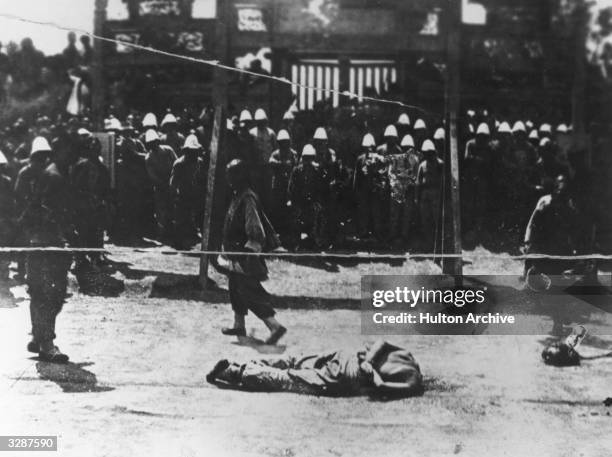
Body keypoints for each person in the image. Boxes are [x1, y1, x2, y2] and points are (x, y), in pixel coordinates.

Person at [14, 137, 74, 363]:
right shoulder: (43, 177)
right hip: (43, 240)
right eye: (39, 157)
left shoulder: (39, 175)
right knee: (49, 292)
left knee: (39, 290)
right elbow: (28, 206)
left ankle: (39, 337)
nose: (42, 160)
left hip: (38, 240)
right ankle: (47, 342)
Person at [216, 159, 286, 345]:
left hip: (245, 255)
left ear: (240, 176)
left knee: (250, 291)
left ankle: (274, 326)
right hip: (235, 254)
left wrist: (249, 256)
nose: (228, 178)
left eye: (232, 174)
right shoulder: (237, 195)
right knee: (235, 288)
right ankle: (239, 324)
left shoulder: (248, 199)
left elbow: (256, 231)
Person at [207, 340, 423, 398]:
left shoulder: (409, 357)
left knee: (295, 362)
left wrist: (370, 361)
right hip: (350, 374)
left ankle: (239, 365)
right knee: (291, 378)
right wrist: (371, 367)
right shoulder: (412, 381)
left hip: (347, 356)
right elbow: (382, 387)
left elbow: (380, 344)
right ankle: (235, 372)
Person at [70, 130, 111, 268]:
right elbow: (73, 185)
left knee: (97, 232)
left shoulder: (102, 168)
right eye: (92, 148)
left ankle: (96, 256)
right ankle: (80, 258)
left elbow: (106, 189)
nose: (95, 151)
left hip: (96, 205)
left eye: (97, 148)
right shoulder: (80, 165)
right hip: (82, 205)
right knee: (81, 232)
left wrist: (103, 201)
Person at [169, 134, 207, 249]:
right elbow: (173, 182)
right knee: (180, 220)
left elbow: (202, 178)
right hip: (183, 196)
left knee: (195, 219)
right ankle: (178, 241)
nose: (194, 154)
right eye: (191, 151)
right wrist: (174, 196)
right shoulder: (179, 164)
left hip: (196, 195)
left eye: (195, 151)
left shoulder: (199, 162)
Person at [288, 144, 328, 249]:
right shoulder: (297, 171)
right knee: (296, 217)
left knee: (317, 215)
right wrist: (294, 201)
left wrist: (317, 201)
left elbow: (320, 188)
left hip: (312, 202)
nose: (308, 161)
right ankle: (295, 242)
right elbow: (292, 187)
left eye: (310, 158)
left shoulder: (317, 171)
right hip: (299, 202)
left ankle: (314, 240)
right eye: (306, 158)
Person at [387, 134, 421, 246]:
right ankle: (392, 236)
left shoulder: (415, 160)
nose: (408, 150)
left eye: (409, 147)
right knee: (394, 214)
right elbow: (391, 173)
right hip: (397, 190)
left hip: (409, 191)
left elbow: (416, 176)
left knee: (406, 215)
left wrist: (409, 183)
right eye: (405, 147)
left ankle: (404, 237)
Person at [353, 134, 388, 241]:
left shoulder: (378, 159)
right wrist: (356, 190)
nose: (369, 149)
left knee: (376, 212)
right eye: (366, 147)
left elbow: (382, 174)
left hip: (374, 189)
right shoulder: (360, 159)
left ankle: (377, 233)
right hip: (364, 189)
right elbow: (357, 175)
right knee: (363, 211)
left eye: (370, 147)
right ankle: (363, 233)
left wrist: (381, 187)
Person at [144, 129, 177, 242]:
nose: (154, 145)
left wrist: (173, 181)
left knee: (173, 208)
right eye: (151, 143)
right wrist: (163, 184)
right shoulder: (149, 157)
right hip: (160, 187)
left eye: (155, 142)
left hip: (172, 182)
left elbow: (176, 164)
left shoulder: (168, 150)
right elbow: (152, 175)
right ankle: (162, 234)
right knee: (161, 211)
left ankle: (174, 233)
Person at [268, 129, 298, 248]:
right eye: (282, 142)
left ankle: (288, 234)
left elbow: (295, 164)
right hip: (278, 186)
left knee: (289, 209)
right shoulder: (276, 153)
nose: (284, 144)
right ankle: (279, 234)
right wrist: (282, 164)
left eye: (285, 142)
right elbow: (271, 162)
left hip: (290, 185)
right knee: (278, 208)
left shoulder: (293, 153)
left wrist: (286, 164)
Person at [416, 139, 443, 252]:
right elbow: (418, 181)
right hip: (425, 194)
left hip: (436, 194)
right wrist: (417, 197)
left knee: (437, 220)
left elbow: (444, 181)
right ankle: (428, 243)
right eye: (426, 153)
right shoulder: (422, 165)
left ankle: (438, 245)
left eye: (430, 152)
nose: (428, 155)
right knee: (425, 219)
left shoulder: (440, 164)